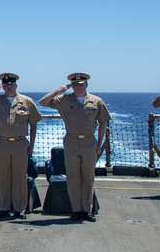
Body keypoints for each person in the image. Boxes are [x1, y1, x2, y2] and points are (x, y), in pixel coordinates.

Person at [39, 73, 110, 222]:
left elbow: (103, 122)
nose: (79, 87)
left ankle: (87, 210)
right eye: (75, 84)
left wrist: (99, 144)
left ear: (86, 85)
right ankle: (76, 210)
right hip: (71, 141)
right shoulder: (64, 100)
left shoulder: (96, 101)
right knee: (73, 178)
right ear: (72, 86)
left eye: (81, 84)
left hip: (89, 142)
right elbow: (43, 102)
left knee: (88, 177)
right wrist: (59, 91)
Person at [0, 73, 42, 219]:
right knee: (2, 177)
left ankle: (19, 209)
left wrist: (32, 146)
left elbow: (34, 124)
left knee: (19, 177)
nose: (9, 87)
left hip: (20, 143)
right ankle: (3, 208)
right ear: (2, 86)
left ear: (16, 85)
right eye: (5, 84)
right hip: (2, 143)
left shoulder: (26, 102)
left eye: (11, 84)